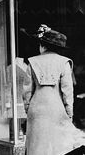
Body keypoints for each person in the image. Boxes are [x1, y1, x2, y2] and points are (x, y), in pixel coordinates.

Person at [23, 24, 85, 155]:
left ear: (43, 46)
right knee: (58, 148)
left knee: (37, 147)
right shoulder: (64, 62)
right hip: (57, 110)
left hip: (36, 110)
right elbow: (67, 92)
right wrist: (69, 114)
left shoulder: (32, 62)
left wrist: (28, 109)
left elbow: (27, 92)